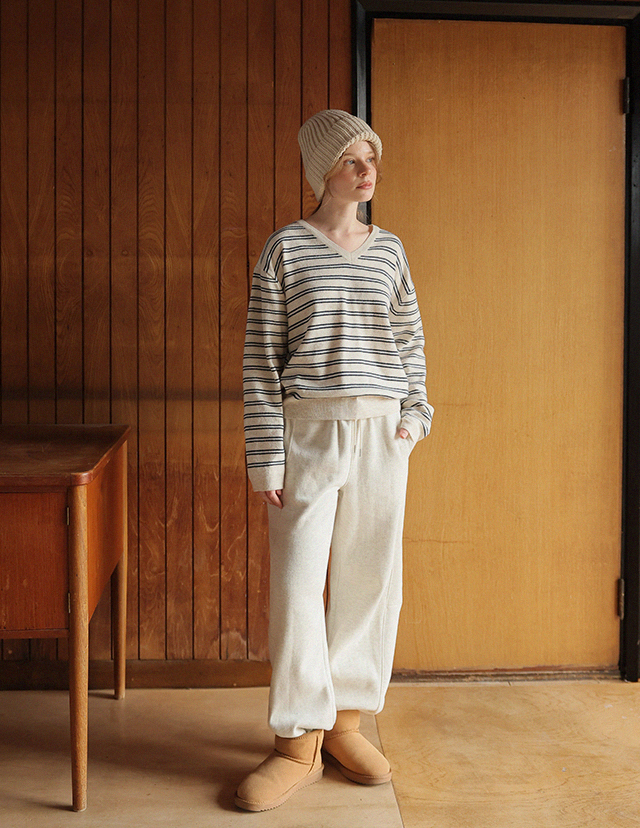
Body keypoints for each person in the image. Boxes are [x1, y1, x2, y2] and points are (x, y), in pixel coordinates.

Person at [236, 109, 434, 812]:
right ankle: (296, 742)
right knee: (298, 586)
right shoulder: (285, 249)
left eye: (371, 158)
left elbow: (409, 341)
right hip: (309, 433)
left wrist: (414, 417)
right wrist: (267, 460)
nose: (366, 170)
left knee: (370, 581)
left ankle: (346, 724)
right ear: (323, 169)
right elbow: (261, 360)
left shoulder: (390, 252)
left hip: (382, 433)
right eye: (352, 159)